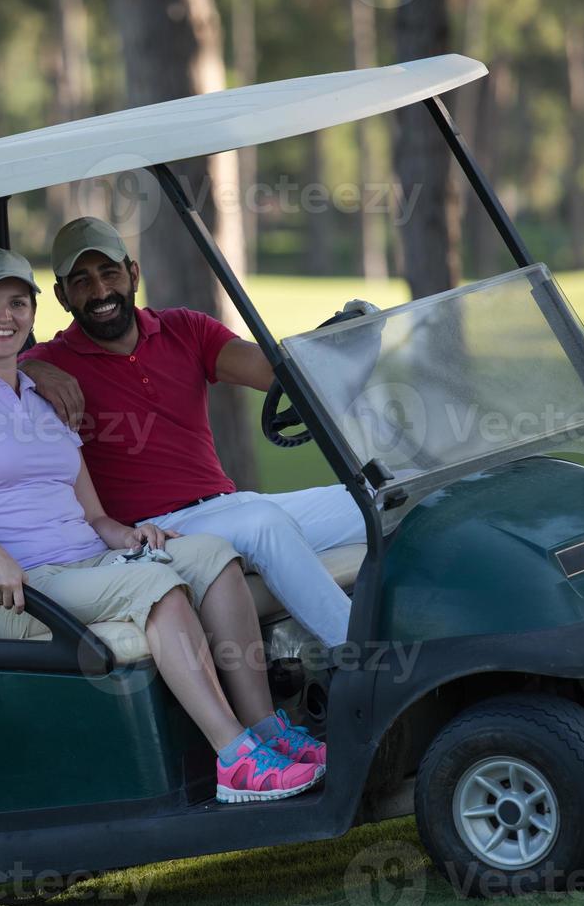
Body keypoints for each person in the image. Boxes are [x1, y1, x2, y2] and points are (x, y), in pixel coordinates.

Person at [0, 248, 325, 803]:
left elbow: (94, 514)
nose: (2, 316)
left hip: (91, 563)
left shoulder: (47, 400)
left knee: (212, 556)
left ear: (33, 313)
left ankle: (266, 728)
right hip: (25, 587)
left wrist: (130, 537)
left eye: (16, 303)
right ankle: (235, 758)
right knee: (158, 587)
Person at [20, 217, 364, 648]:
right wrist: (29, 366)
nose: (101, 292)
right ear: (61, 295)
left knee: (374, 498)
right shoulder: (51, 361)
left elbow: (272, 373)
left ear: (133, 273)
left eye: (109, 273)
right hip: (155, 532)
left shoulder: (184, 328)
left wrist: (345, 343)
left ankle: (431, 627)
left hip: (227, 506)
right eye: (81, 281)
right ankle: (365, 657)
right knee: (264, 524)